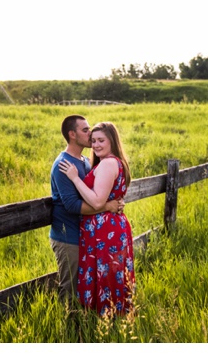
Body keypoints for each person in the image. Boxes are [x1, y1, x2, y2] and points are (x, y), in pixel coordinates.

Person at [58, 121, 135, 316]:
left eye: (101, 140)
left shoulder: (109, 163)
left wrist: (75, 178)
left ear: (112, 141)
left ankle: (106, 320)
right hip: (107, 228)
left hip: (105, 231)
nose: (96, 145)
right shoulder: (110, 162)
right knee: (110, 275)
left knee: (107, 276)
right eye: (93, 141)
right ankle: (110, 320)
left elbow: (98, 202)